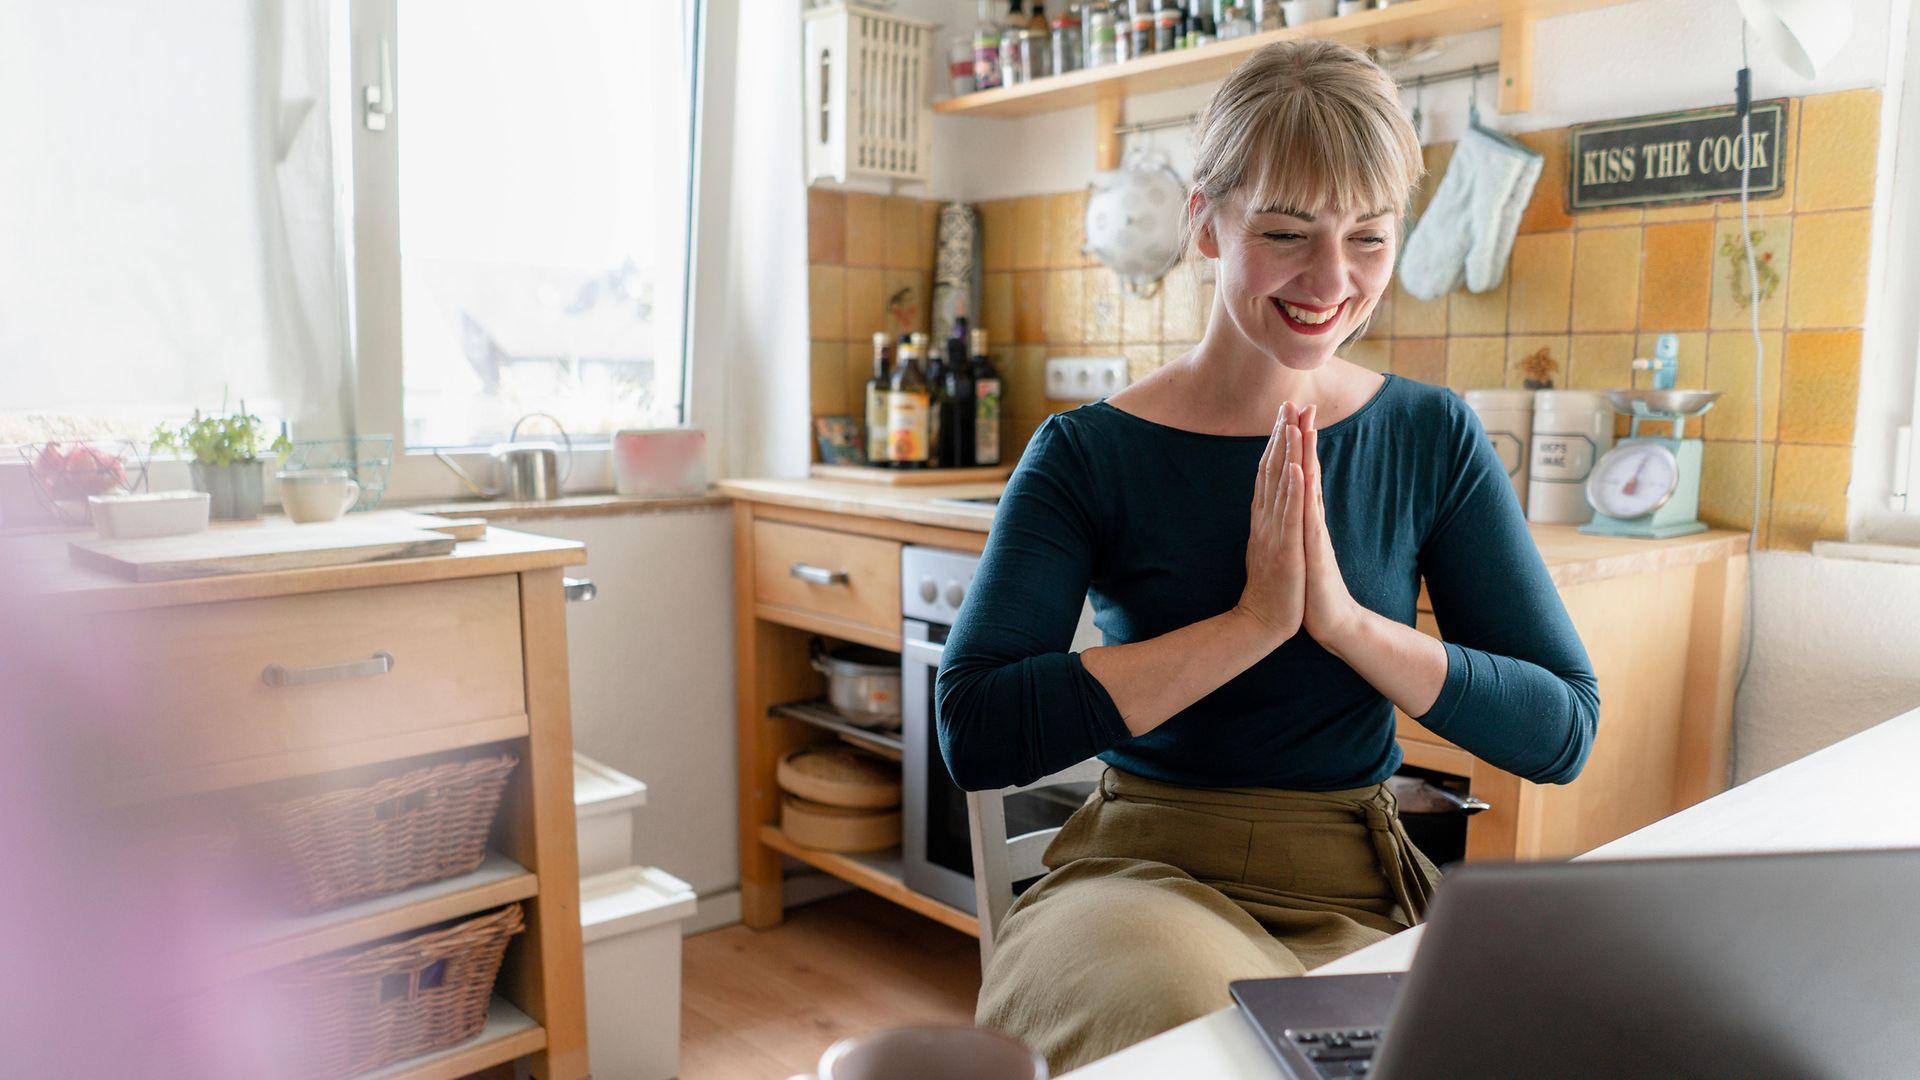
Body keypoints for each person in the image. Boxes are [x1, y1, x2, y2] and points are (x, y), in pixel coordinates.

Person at [935, 38, 1600, 1073]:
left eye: (1370, 240)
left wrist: (1344, 624)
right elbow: (976, 732)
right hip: (1141, 883)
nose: (1331, 280)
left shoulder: (1432, 437)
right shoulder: (1087, 453)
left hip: (1363, 888)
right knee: (1206, 1048)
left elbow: (1561, 729)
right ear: (1206, 221)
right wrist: (1250, 625)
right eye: (1287, 232)